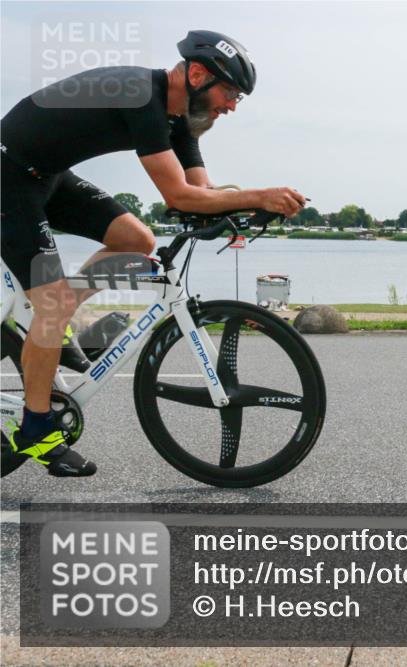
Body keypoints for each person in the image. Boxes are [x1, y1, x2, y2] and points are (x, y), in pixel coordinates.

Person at [0, 30, 305, 477]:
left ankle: (67, 328)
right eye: (230, 92)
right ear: (198, 75)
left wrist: (246, 207)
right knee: (51, 303)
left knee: (137, 241)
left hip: (46, 175)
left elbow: (201, 192)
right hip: (8, 180)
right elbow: (178, 196)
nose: (232, 106)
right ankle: (36, 429)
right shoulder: (142, 97)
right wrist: (260, 195)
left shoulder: (180, 118)